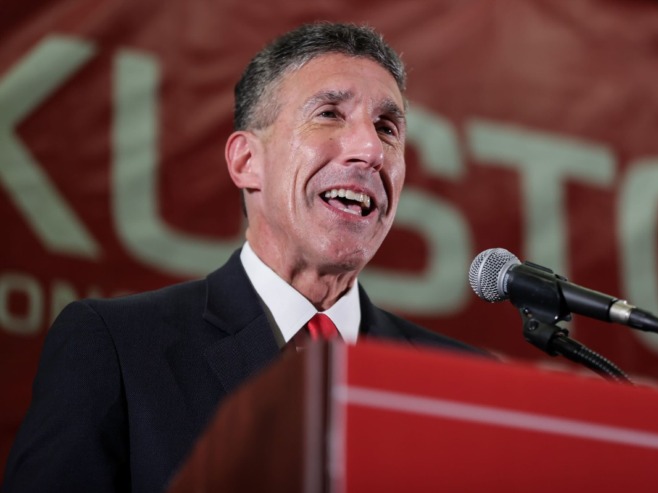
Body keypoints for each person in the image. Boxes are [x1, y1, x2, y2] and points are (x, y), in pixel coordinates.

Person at [3, 22, 482, 493]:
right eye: (330, 114)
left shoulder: (464, 383)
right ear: (245, 162)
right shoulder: (117, 347)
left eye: (387, 127)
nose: (371, 149)